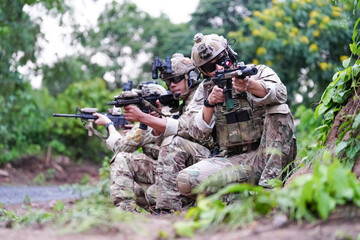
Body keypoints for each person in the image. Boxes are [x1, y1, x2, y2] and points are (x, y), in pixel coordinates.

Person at [176, 33, 297, 197]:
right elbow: (195, 132)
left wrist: (250, 85)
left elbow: (280, 94)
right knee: (186, 180)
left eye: (220, 60)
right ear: (202, 71)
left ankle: (269, 190)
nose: (218, 68)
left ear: (229, 53)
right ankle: (236, 195)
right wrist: (209, 104)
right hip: (233, 161)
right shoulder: (205, 90)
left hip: (269, 156)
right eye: (210, 68)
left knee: (279, 110)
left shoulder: (257, 72)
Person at [123, 53, 213, 212]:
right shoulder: (184, 101)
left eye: (176, 79)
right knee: (152, 194)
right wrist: (154, 119)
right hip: (196, 157)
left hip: (211, 156)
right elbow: (161, 141)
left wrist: (142, 117)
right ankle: (182, 209)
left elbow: (184, 128)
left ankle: (167, 211)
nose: (171, 85)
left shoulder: (202, 92)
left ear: (191, 76)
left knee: (174, 143)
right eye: (168, 81)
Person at [93, 83, 169, 212]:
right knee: (129, 185)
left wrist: (108, 124)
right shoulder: (170, 115)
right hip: (164, 172)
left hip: (166, 176)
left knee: (121, 159)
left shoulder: (151, 122)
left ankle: (126, 212)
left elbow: (120, 147)